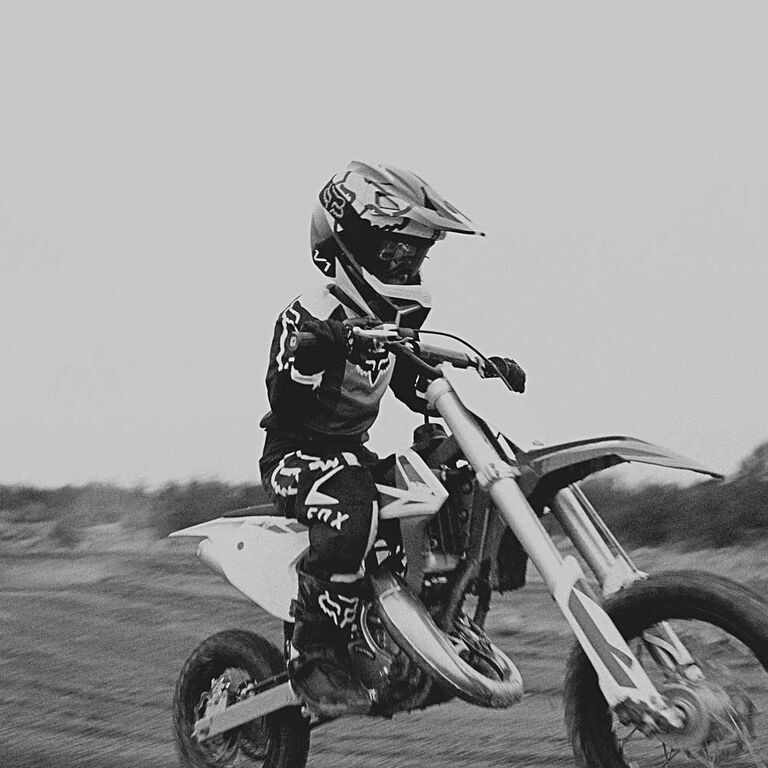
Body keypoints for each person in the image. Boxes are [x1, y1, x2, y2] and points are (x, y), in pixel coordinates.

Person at [258, 161, 525, 717]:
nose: (406, 267)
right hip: (296, 457)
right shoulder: (309, 316)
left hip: (352, 456)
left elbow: (413, 383)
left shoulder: (387, 328)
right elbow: (284, 395)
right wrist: (321, 349)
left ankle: (433, 609)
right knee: (352, 507)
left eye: (414, 257)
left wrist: (479, 368)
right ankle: (314, 649)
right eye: (395, 254)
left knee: (450, 468)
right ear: (346, 243)